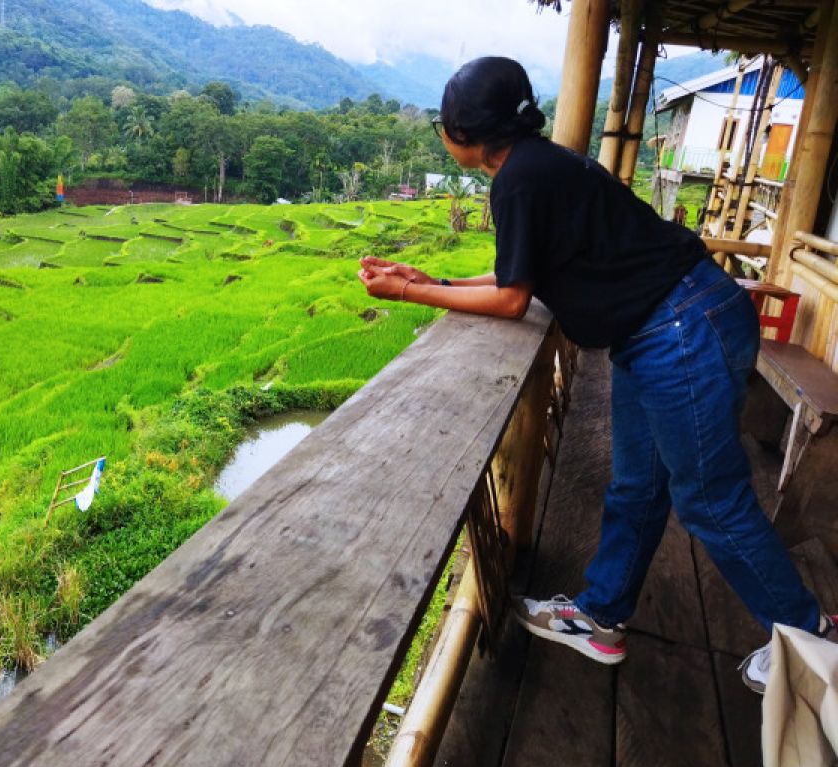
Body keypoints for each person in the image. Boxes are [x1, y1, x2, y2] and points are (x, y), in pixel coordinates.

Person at [356, 56, 835, 693]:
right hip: (661, 327)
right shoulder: (539, 164)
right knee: (638, 485)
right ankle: (603, 617)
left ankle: (813, 639)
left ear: (459, 136)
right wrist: (431, 280)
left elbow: (510, 301)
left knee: (710, 500)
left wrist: (411, 297)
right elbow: (518, 276)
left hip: (678, 329)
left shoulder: (520, 180)